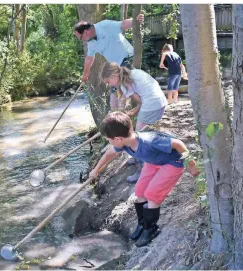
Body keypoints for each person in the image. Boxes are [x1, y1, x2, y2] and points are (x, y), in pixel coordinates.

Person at [89, 111, 199, 247]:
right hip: (153, 162)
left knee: (152, 194)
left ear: (118, 139)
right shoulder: (123, 143)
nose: (109, 142)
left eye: (108, 139)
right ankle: (142, 223)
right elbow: (109, 154)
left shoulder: (149, 141)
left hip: (172, 163)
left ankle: (151, 229)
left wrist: (192, 164)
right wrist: (96, 170)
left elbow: (178, 144)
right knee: (140, 191)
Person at [101, 61, 168, 182]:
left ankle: (142, 170)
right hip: (160, 101)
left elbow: (139, 102)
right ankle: (140, 158)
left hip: (152, 104)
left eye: (107, 82)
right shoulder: (132, 73)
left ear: (113, 76)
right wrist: (133, 112)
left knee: (137, 139)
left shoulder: (124, 83)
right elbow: (141, 100)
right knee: (143, 134)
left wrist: (122, 114)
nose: (108, 84)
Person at [73, 14, 144, 110]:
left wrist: (135, 20)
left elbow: (122, 25)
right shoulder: (91, 43)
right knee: (113, 101)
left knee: (122, 94)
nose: (81, 40)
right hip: (114, 66)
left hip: (127, 58)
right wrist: (85, 75)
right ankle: (117, 116)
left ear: (86, 32)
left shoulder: (104, 26)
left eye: (80, 37)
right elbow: (89, 59)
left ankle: (127, 115)